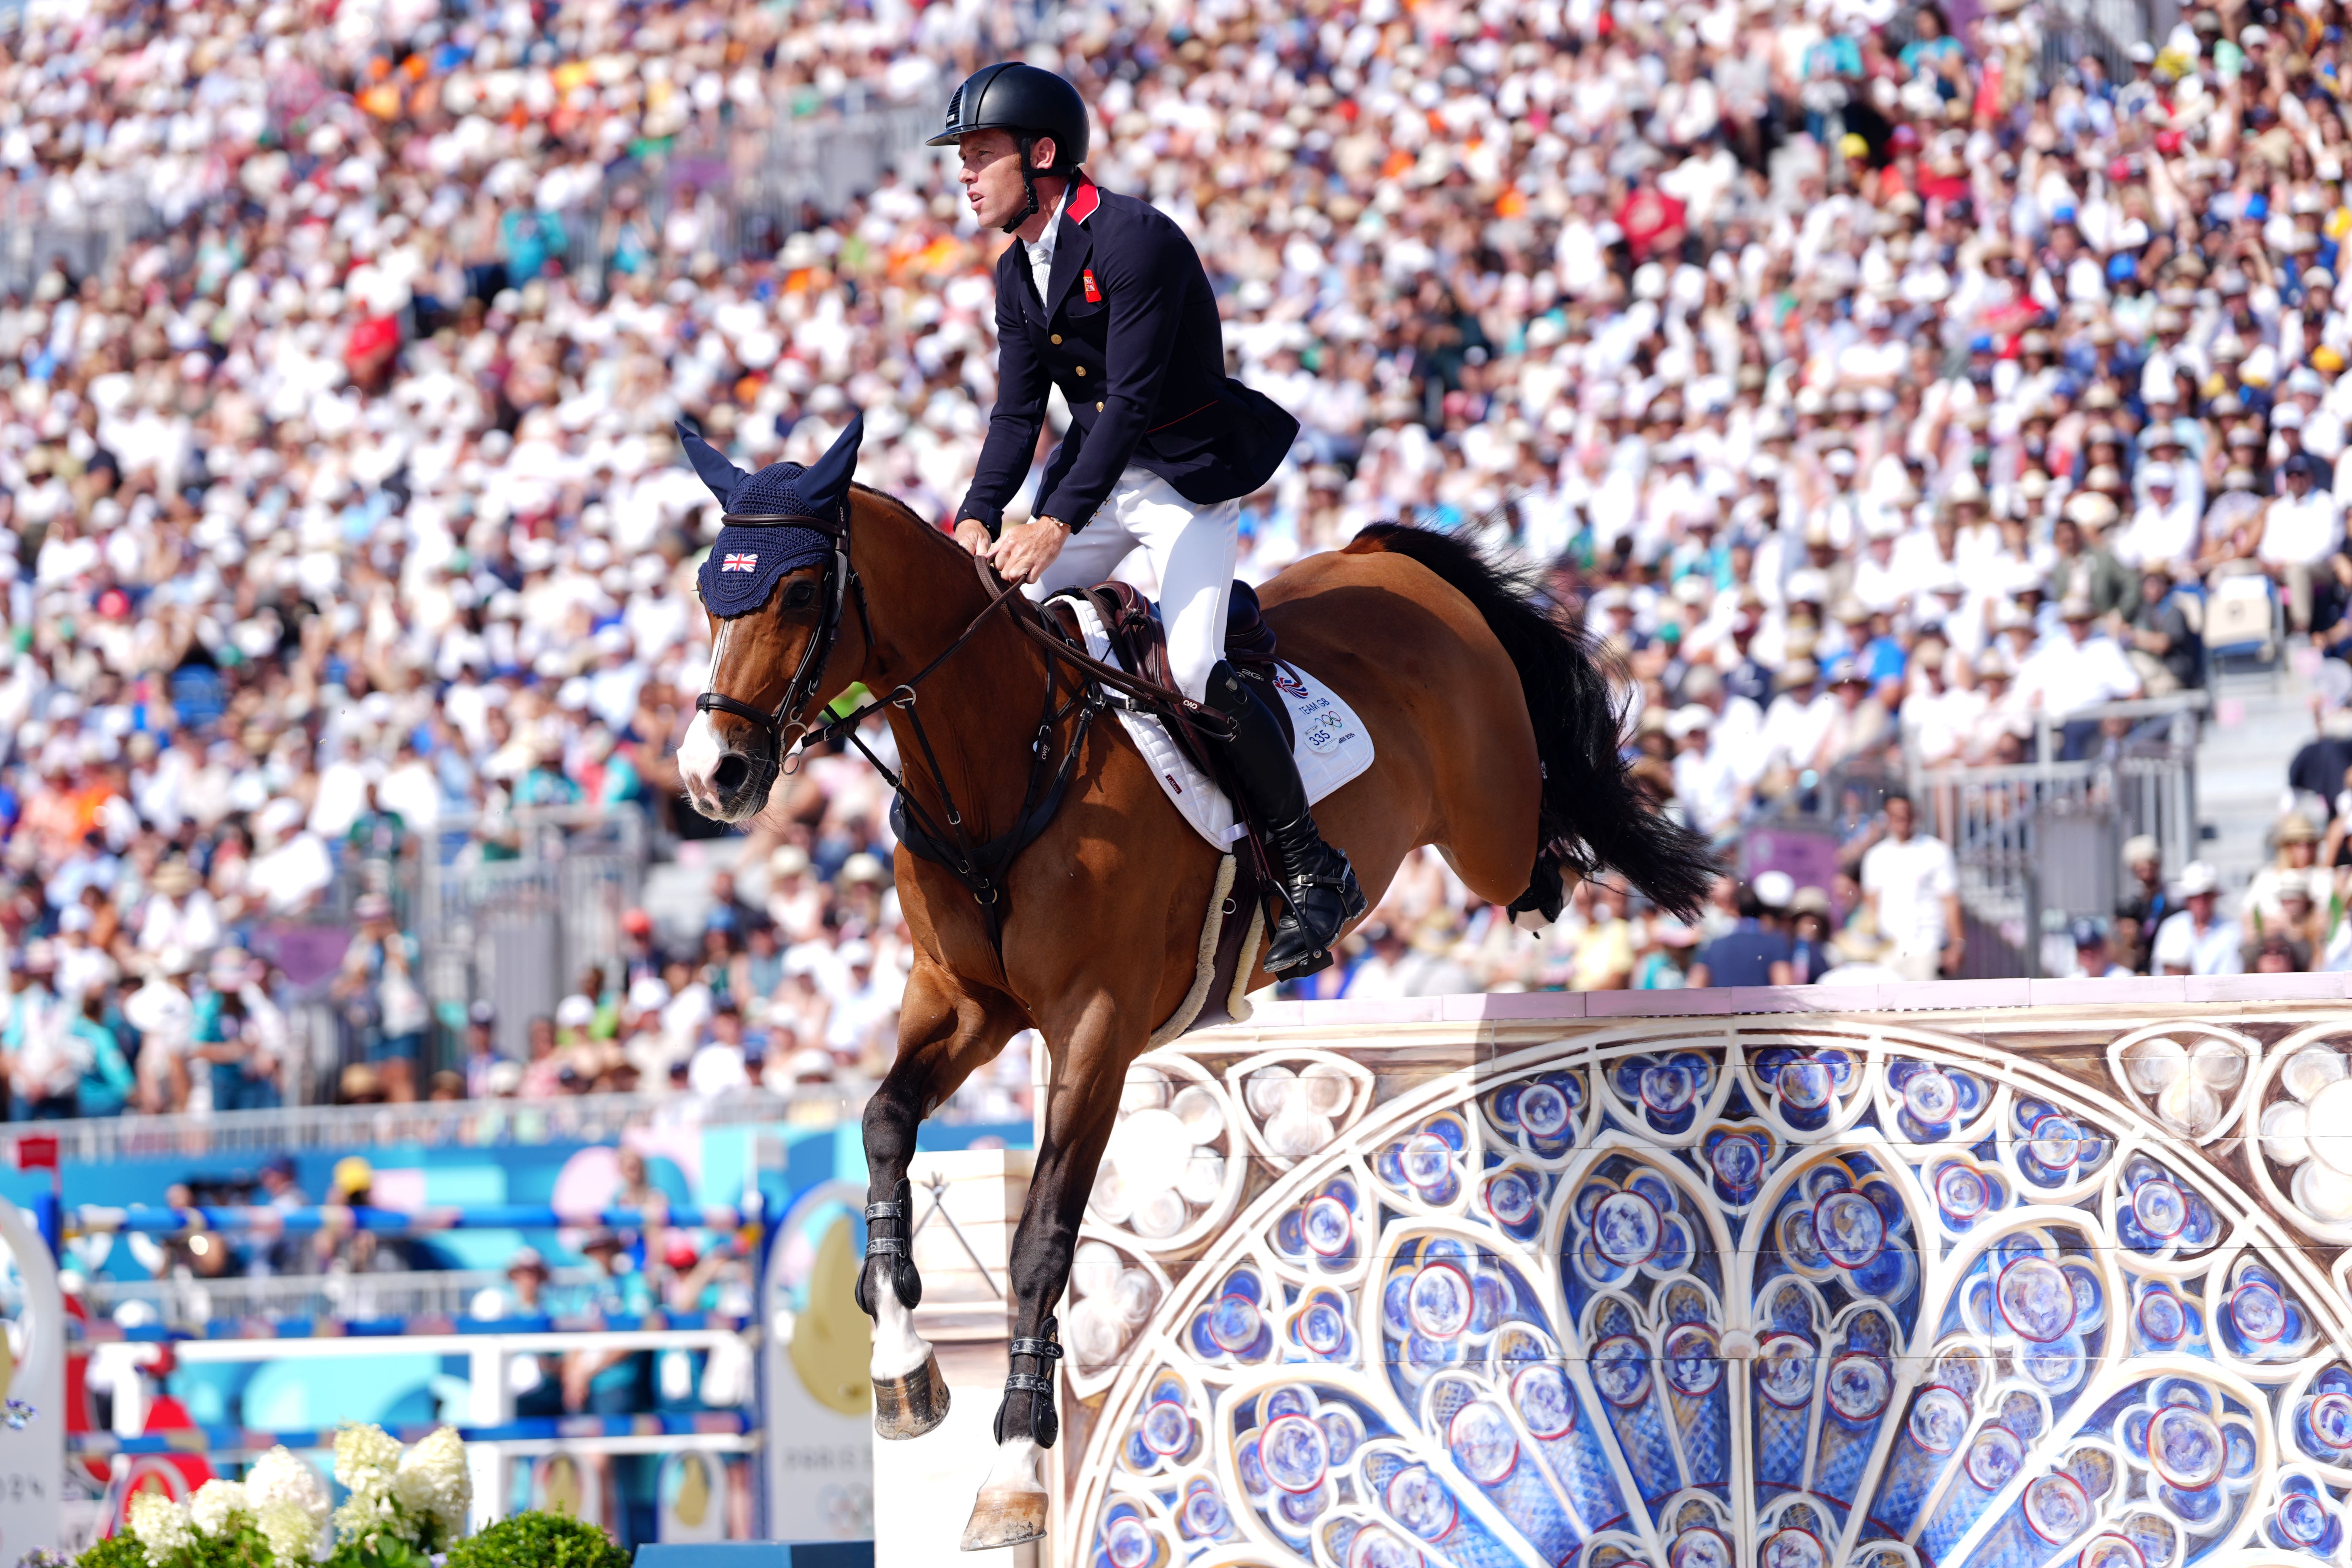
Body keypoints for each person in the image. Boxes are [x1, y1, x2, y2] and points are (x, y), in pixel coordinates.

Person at [930, 62, 1360, 978]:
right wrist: (973, 518)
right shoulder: (1017, 271)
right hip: (1092, 479)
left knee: (1199, 667)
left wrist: (1051, 522)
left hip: (1180, 481)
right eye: (960, 159)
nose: (964, 175)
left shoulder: (1134, 240)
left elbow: (1125, 403)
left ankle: (1311, 868)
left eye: (980, 155)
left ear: (1041, 156)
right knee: (986, 619)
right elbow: (1015, 416)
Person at [1859, 791, 1962, 982]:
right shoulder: (1876, 856)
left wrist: (1956, 946)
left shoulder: (1936, 851)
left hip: (1926, 948)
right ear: (1887, 818)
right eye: (1896, 815)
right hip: (1888, 950)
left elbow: (1950, 901)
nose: (1902, 820)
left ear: (1915, 815)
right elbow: (1871, 907)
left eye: (1906, 814)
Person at [1686, 881, 1794, 988]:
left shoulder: (1714, 944)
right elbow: (1785, 987)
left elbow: (1696, 986)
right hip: (1762, 1005)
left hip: (1722, 1005)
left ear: (1734, 907)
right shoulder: (1775, 942)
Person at [2152, 863, 2245, 977]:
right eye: (2195, 896)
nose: (2201, 902)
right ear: (2187, 899)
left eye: (2206, 895)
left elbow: (2230, 974)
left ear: (2214, 897)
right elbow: (2158, 974)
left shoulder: (2232, 931)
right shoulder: (2171, 928)